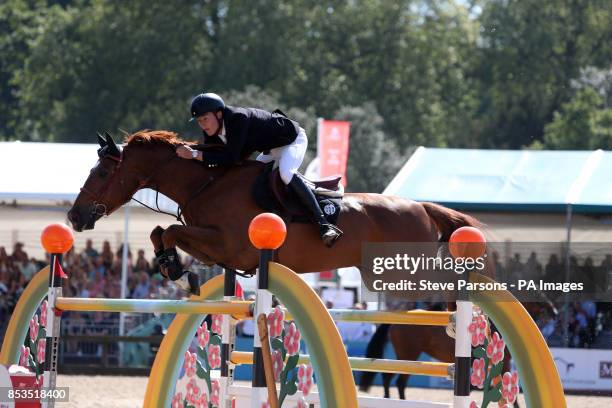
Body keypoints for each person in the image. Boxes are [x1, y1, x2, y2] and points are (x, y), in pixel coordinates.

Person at [177, 92, 343, 247]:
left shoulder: (237, 118)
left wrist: (193, 154)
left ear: (219, 114)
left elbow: (231, 159)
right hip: (271, 149)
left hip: (292, 140)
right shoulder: (213, 130)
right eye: (199, 121)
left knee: (286, 174)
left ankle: (324, 224)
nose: (202, 124)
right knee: (252, 177)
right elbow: (213, 154)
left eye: (205, 119)